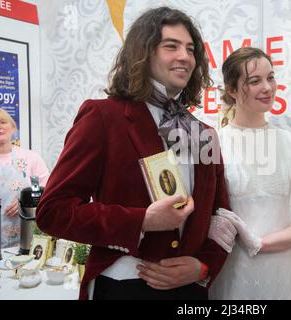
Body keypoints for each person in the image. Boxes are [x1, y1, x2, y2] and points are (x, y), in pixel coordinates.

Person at [36, 6, 230, 300]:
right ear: (144, 53)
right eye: (171, 46)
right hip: (124, 286)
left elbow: (222, 213)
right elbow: (53, 212)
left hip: (190, 289)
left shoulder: (205, 133)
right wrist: (141, 221)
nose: (185, 57)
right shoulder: (102, 117)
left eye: (190, 49)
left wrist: (203, 265)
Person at [208, 47, 291, 299]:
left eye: (270, 77)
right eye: (254, 81)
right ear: (231, 89)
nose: (267, 88)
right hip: (232, 274)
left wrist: (261, 244)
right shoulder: (215, 144)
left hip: (283, 274)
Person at [0, 107, 49, 249]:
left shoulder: (30, 158)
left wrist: (24, 201)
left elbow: (44, 190)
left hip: (28, 237)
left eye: (3, 122)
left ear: (13, 128)